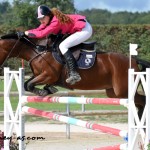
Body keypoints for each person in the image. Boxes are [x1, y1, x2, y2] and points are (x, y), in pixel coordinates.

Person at [17, 5, 93, 85]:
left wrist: (26, 33)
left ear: (48, 15)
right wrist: (25, 32)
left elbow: (42, 34)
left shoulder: (55, 22)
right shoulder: (48, 20)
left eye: (43, 18)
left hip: (84, 30)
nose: (41, 21)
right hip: (77, 29)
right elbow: (38, 30)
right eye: (39, 19)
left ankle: (74, 73)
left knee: (63, 46)